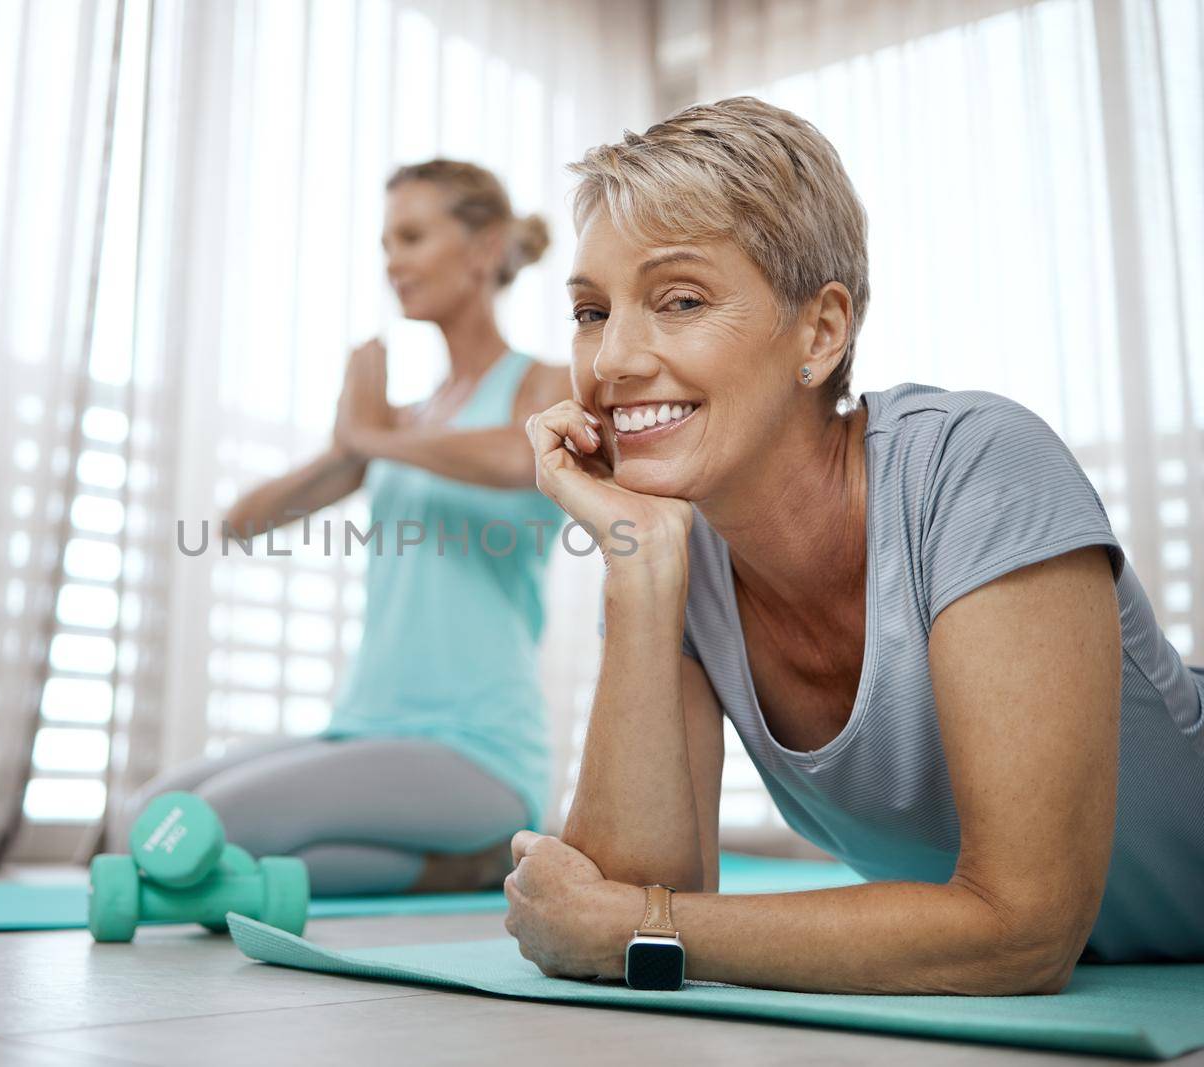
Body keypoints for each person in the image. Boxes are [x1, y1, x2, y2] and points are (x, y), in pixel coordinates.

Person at [504, 97, 1204, 993]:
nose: (610, 363)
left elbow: (1022, 928)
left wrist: (645, 930)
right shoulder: (678, 548)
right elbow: (621, 906)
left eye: (679, 300)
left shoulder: (978, 465)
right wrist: (636, 577)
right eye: (591, 312)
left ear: (821, 332)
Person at [135, 160, 570, 896]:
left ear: (484, 247)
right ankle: (457, 867)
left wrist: (371, 437)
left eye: (411, 236)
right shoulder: (401, 423)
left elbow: (521, 452)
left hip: (480, 748)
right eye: (385, 242)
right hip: (368, 727)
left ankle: (476, 845)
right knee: (152, 815)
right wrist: (351, 442)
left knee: (214, 822)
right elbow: (242, 523)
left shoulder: (545, 385)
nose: (392, 260)